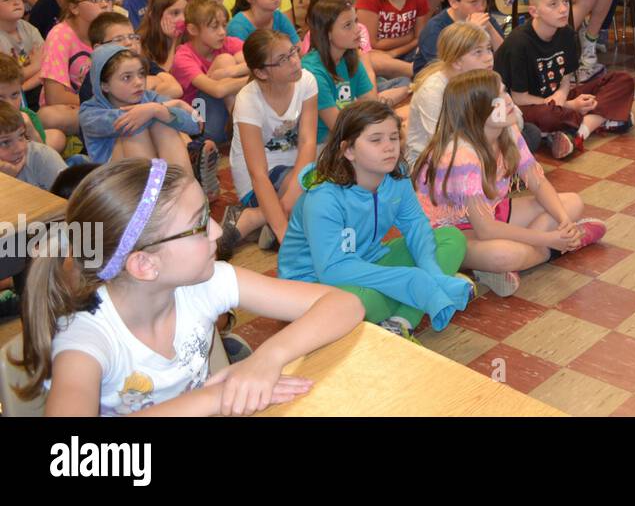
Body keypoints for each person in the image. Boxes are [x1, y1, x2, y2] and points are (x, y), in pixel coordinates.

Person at [15, 157, 363, 415]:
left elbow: (345, 305)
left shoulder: (207, 280)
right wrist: (216, 396)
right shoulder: (86, 339)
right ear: (145, 264)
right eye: (199, 224)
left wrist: (269, 357)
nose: (216, 230)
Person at [278, 100, 473, 338]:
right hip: (314, 283)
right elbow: (331, 269)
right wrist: (409, 279)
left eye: (393, 137)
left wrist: (431, 273)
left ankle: (402, 320)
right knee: (361, 303)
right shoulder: (323, 197)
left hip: (367, 260)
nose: (389, 147)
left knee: (451, 238)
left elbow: (416, 227)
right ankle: (423, 294)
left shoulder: (395, 178)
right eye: (376, 140)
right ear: (348, 150)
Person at [411, 70, 606, 297]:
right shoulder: (462, 156)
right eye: (498, 98)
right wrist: (549, 239)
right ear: (478, 112)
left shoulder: (507, 129)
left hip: (489, 213)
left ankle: (531, 254)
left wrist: (563, 221)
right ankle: (552, 249)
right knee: (504, 255)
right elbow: (486, 230)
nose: (508, 100)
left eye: (504, 90)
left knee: (571, 202)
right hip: (450, 234)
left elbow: (537, 181)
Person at [494, 0, 635, 149]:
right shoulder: (519, 42)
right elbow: (519, 98)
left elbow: (566, 78)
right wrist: (570, 105)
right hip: (528, 105)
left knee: (623, 80)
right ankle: (604, 118)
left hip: (557, 100)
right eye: (553, 4)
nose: (563, 9)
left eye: (566, 1)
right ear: (534, 11)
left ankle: (581, 129)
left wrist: (562, 95)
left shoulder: (566, 32)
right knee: (547, 116)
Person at [408, 21, 571, 167]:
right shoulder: (433, 90)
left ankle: (500, 170)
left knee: (528, 132)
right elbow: (442, 143)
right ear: (457, 62)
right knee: (513, 140)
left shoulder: (487, 79)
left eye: (488, 49)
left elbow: (516, 117)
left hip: (478, 138)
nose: (489, 58)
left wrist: (501, 129)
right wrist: (492, 136)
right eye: (478, 52)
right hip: (434, 160)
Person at [220, 29, 318, 256]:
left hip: (295, 168)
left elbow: (307, 142)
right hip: (256, 178)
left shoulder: (306, 80)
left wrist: (294, 191)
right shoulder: (248, 99)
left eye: (293, 52)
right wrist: (285, 236)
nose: (294, 61)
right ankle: (263, 218)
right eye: (282, 60)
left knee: (320, 193)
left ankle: (256, 218)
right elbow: (258, 173)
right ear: (261, 73)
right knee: (315, 199)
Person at [78, 44, 199, 168]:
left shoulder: (148, 98)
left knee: (162, 120)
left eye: (141, 74)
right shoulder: (89, 112)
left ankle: (182, 182)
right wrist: (167, 106)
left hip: (156, 167)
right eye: (126, 77)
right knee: (134, 127)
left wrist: (157, 109)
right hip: (117, 180)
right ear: (104, 86)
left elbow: (196, 126)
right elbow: (130, 119)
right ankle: (157, 184)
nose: (138, 82)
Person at [38, 0, 115, 136]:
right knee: (49, 117)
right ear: (74, 8)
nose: (104, 4)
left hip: (111, 102)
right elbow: (55, 97)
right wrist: (105, 102)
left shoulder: (113, 30)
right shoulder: (60, 35)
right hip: (77, 108)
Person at [171, 0, 248, 145]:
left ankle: (241, 125)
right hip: (197, 116)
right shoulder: (183, 56)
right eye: (214, 27)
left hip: (223, 109)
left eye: (224, 26)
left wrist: (230, 71)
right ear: (193, 29)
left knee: (239, 59)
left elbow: (260, 64)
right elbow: (217, 90)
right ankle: (242, 127)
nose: (222, 32)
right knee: (225, 59)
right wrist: (251, 77)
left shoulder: (228, 42)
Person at [302, 0, 374, 143]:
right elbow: (338, 127)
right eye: (348, 25)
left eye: (356, 21)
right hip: (325, 144)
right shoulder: (312, 72)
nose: (357, 30)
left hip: (352, 131)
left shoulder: (350, 58)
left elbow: (371, 104)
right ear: (327, 33)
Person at [413, 0, 502, 75]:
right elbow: (446, 71)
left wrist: (490, 28)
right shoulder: (435, 29)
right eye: (473, 2)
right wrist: (468, 33)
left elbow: (505, 57)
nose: (481, 8)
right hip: (438, 84)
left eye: (484, 0)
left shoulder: (484, 18)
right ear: (454, 2)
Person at [355, 0, 428, 79]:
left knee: (434, 50)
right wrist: (409, 36)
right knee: (366, 60)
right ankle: (413, 73)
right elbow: (371, 44)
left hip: (409, 50)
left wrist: (394, 53)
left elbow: (420, 38)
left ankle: (406, 74)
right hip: (376, 54)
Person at [0, 101, 65, 191]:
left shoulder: (42, 156)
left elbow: (75, 200)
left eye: (21, 135)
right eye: (5, 143)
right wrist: (4, 181)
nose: (20, 148)